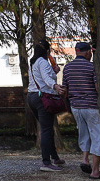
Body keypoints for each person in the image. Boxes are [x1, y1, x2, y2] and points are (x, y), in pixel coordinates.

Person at [62, 42, 100, 179]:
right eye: (91, 52)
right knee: (97, 136)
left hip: (75, 107)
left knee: (84, 133)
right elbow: (98, 87)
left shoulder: (67, 68)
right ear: (87, 53)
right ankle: (95, 171)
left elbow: (64, 90)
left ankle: (85, 160)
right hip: (91, 106)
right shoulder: (92, 67)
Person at [27, 40, 66, 172]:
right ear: (47, 51)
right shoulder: (43, 62)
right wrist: (55, 85)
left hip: (32, 97)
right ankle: (46, 162)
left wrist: (53, 71)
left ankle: (55, 157)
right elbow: (46, 79)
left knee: (47, 128)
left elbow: (42, 78)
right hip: (43, 98)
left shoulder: (33, 62)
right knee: (46, 130)